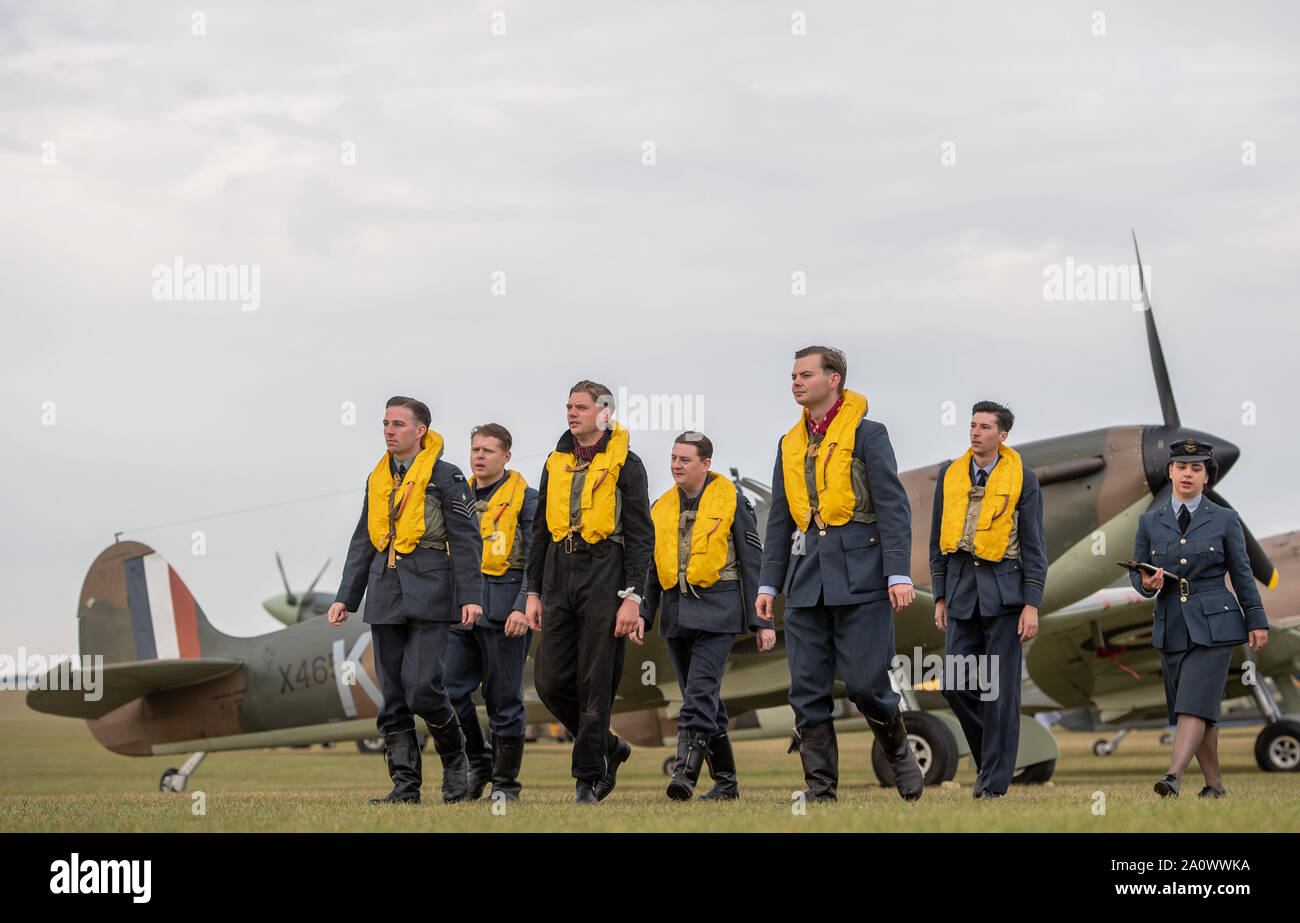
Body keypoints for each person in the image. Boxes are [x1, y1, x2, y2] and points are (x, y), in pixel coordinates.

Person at [758, 346, 924, 802]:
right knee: (807, 689)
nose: (795, 382)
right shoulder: (788, 443)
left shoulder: (871, 434)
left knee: (867, 685)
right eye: (793, 375)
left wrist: (898, 574)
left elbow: (893, 505)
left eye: (805, 374)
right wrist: (770, 582)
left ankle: (900, 756)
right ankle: (820, 791)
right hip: (807, 582)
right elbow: (779, 521)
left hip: (864, 578)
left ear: (834, 380)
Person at [328, 396, 484, 804]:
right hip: (384, 592)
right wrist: (347, 596)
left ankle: (456, 764)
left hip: (431, 592)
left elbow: (467, 541)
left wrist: (470, 596)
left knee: (422, 689)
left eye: (398, 424)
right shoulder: (376, 478)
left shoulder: (446, 476)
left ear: (421, 431)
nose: (388, 430)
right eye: (385, 423)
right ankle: (405, 786)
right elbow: (363, 540)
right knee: (393, 696)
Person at [524, 381, 653, 804]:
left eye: (580, 407)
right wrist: (533, 591)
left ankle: (586, 780)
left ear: (604, 412)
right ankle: (608, 747)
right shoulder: (554, 462)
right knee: (548, 680)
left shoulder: (628, 464)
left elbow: (640, 535)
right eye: (568, 406)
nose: (571, 413)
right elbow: (540, 530)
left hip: (606, 572)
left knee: (595, 680)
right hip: (559, 573)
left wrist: (633, 597)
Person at [1130, 439, 1268, 797]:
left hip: (1216, 623)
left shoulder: (1225, 519)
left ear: (1207, 477)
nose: (1187, 474)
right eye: (1181, 467)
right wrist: (1147, 584)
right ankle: (1215, 786)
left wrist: (1256, 619)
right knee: (1197, 708)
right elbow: (1138, 574)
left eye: (1196, 469)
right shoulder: (1148, 522)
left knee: (1193, 702)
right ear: (1170, 472)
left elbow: (1241, 572)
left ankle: (1173, 776)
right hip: (1171, 623)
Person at [644, 431, 775, 801]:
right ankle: (727, 784)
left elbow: (753, 565)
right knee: (702, 699)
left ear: (706, 464)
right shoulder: (660, 507)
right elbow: (652, 570)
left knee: (699, 693)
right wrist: (643, 614)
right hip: (675, 615)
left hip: (718, 613)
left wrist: (762, 623)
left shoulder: (733, 501)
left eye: (685, 459)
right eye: (673, 458)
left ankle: (684, 774)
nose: (676, 465)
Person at [929, 401, 1048, 799]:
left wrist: (1032, 603)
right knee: (954, 685)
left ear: (1003, 435)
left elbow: (1034, 546)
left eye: (984, 427)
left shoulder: (1024, 479)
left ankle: (994, 785)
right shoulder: (951, 475)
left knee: (1001, 692)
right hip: (961, 594)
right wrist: (940, 595)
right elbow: (937, 542)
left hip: (1006, 598)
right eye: (973, 425)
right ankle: (994, 761)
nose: (975, 433)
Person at [443, 423, 538, 802]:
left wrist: (522, 606)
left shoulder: (527, 499)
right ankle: (479, 760)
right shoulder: (456, 497)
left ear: (506, 456)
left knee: (504, 700)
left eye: (488, 451)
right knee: (447, 690)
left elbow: (536, 559)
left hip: (505, 614)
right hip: (461, 612)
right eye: (475, 449)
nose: (479, 456)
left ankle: (505, 785)